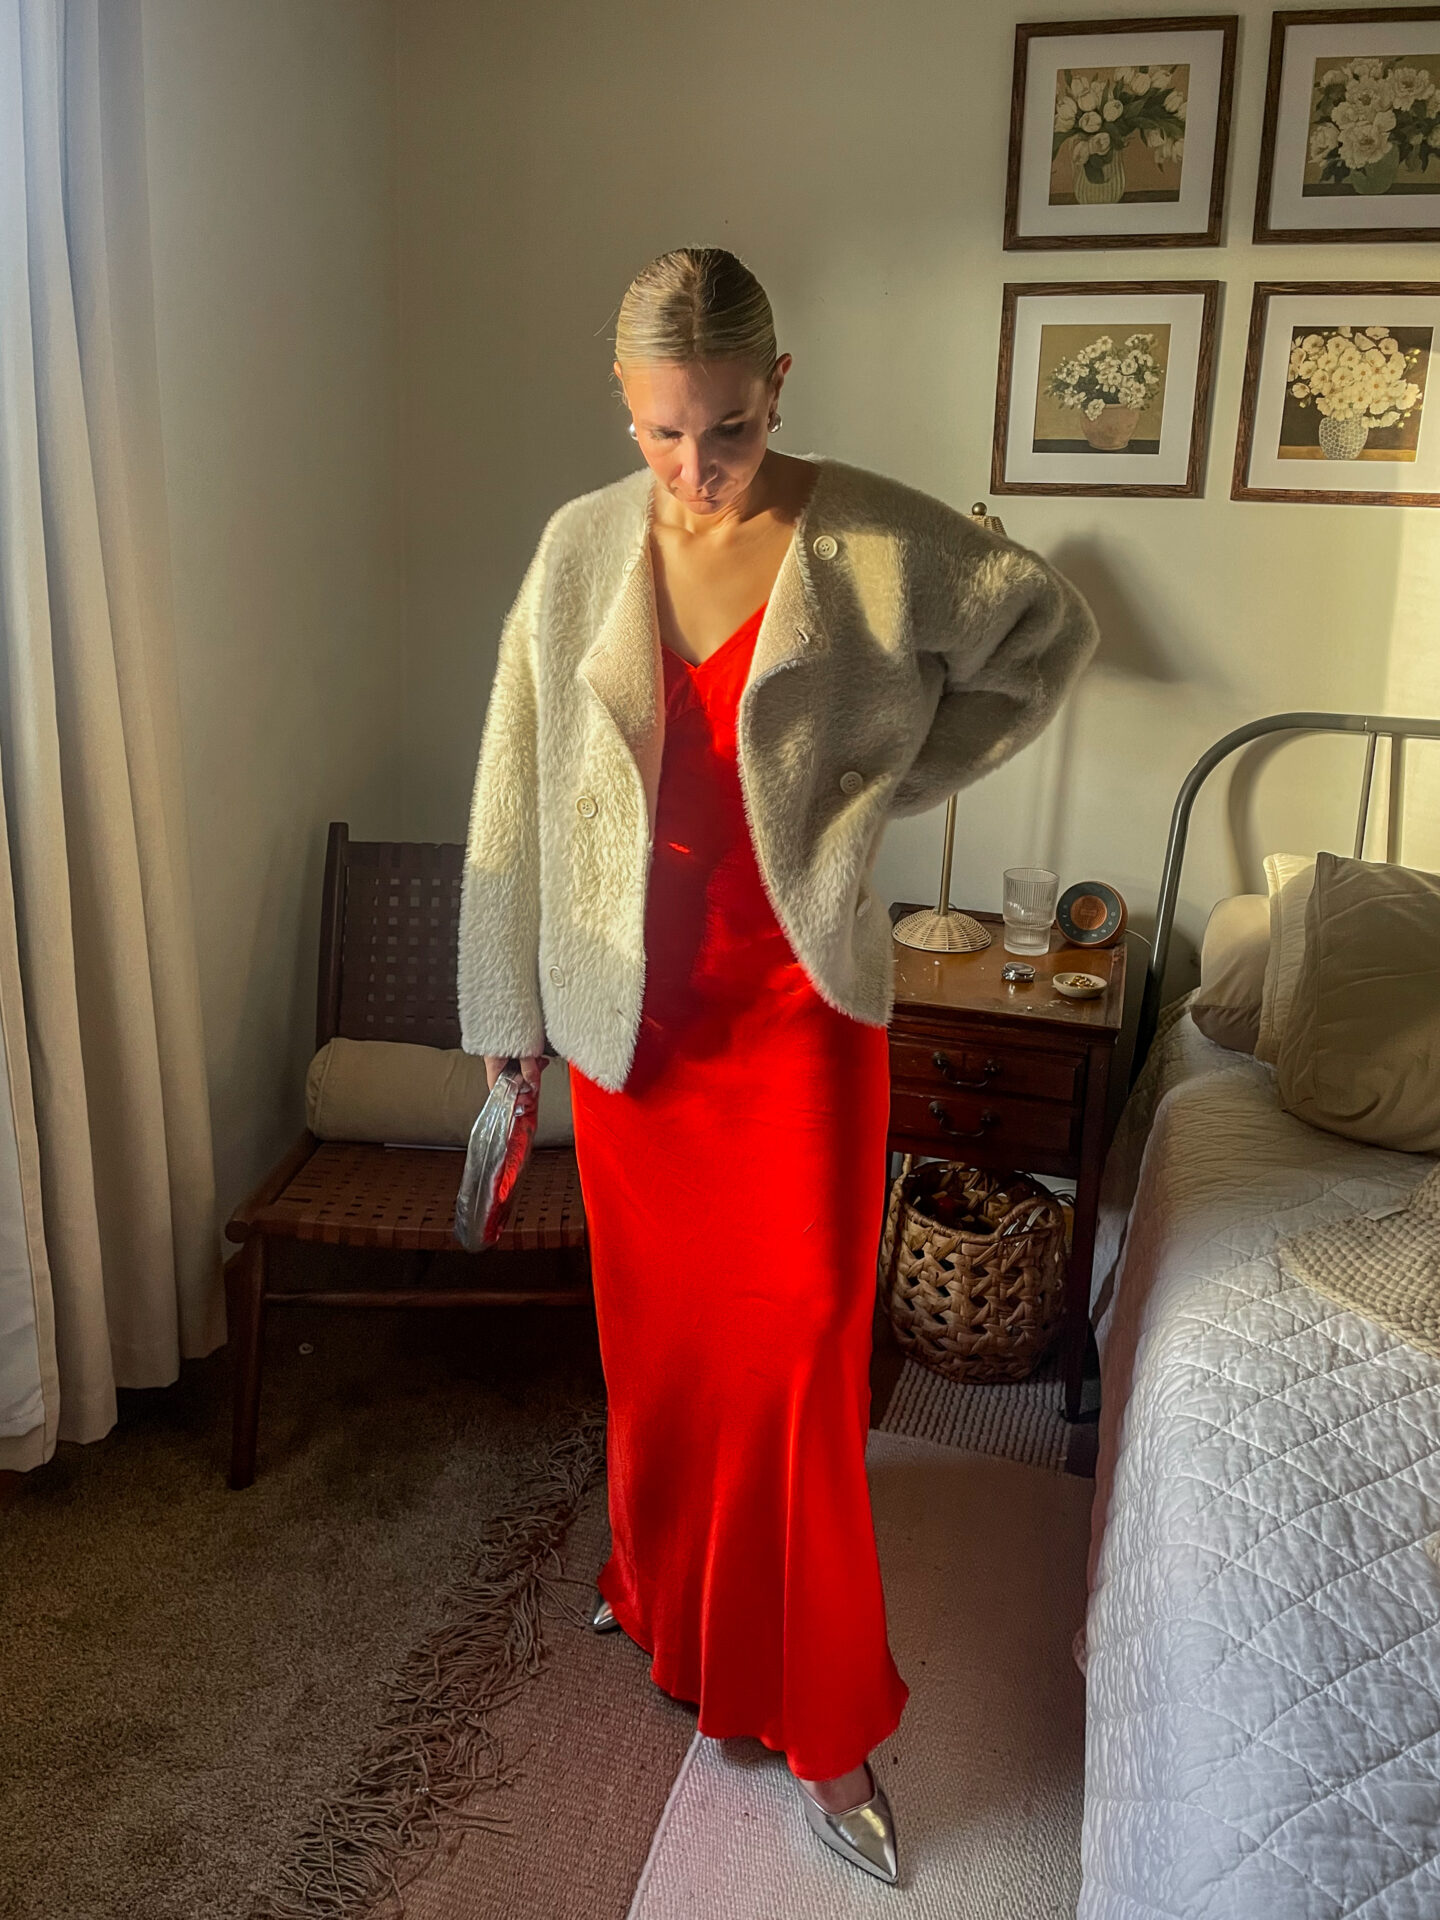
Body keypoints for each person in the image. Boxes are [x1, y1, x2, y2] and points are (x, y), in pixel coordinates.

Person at [459, 246, 1099, 1885]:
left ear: (779, 386)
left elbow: (1040, 634)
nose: (694, 470)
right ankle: (667, 1604)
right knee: (664, 1358)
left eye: (727, 430)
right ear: (623, 403)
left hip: (798, 1022)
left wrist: (879, 782)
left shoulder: (872, 533)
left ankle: (825, 1724)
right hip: (633, 1041)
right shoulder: (579, 547)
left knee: (805, 1364)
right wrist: (505, 1040)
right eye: (665, 433)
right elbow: (517, 794)